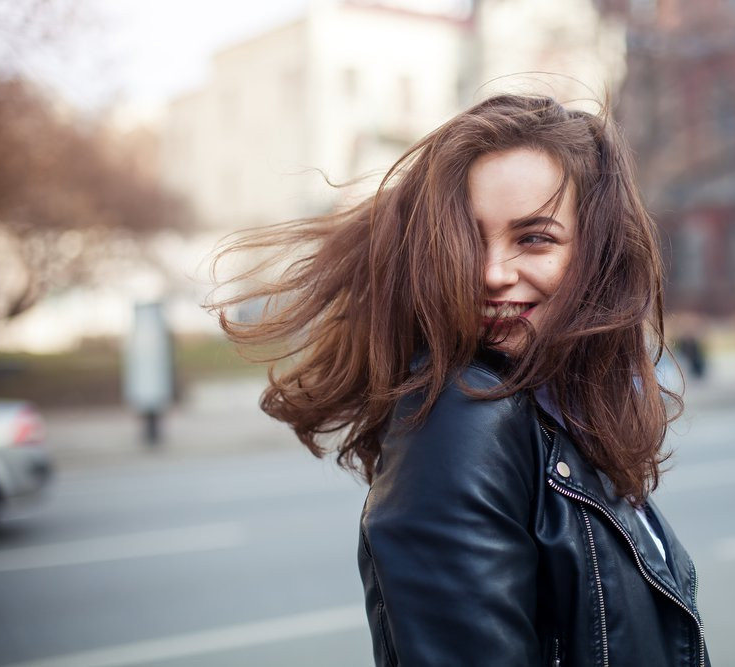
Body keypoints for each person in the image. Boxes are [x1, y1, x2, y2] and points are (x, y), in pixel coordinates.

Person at [213, 94, 709, 667]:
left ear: (598, 256)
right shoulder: (463, 417)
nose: (490, 273)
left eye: (534, 238)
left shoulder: (553, 409)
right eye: (469, 240)